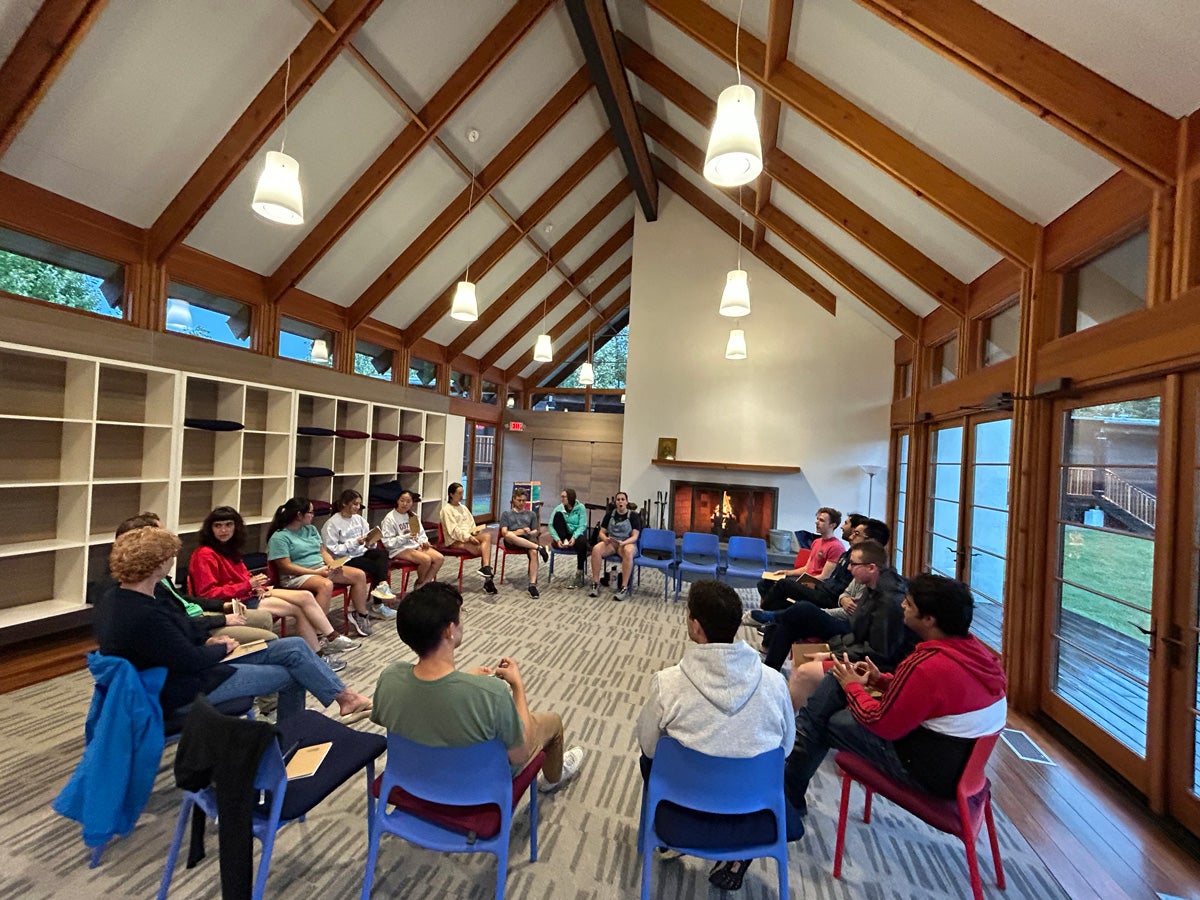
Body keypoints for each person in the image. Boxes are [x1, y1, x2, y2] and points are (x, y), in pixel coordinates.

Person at [783, 574, 1007, 819]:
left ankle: (788, 796)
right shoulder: (979, 656)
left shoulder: (928, 664)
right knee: (832, 689)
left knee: (823, 718)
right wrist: (880, 680)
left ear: (929, 619)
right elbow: (934, 698)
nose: (902, 605)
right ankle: (789, 793)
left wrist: (852, 687)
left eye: (909, 604)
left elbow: (881, 723)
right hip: (959, 766)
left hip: (923, 770)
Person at [94, 526, 372, 722]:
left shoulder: (126, 596)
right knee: (294, 674)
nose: (171, 562)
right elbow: (188, 660)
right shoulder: (142, 611)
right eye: (168, 557)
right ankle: (292, 737)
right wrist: (220, 646)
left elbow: (181, 630)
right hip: (181, 688)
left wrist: (208, 640)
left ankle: (345, 698)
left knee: (295, 647)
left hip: (188, 668)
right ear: (156, 564)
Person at [635, 580, 799, 891]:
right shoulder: (775, 683)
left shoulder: (667, 684)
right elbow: (786, 747)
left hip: (684, 806)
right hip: (754, 805)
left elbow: (648, 746)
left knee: (649, 759)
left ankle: (669, 835)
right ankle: (738, 852)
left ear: (695, 626)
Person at [371, 582, 584, 793]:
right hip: (474, 790)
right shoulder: (491, 693)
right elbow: (521, 753)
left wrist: (462, 679)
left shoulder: (390, 677)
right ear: (449, 631)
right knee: (553, 722)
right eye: (460, 616)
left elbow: (427, 702)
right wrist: (518, 686)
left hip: (414, 779)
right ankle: (553, 779)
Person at [189, 505, 360, 665]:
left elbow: (243, 576)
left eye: (228, 525)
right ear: (210, 529)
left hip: (249, 594)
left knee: (306, 597)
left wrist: (257, 587)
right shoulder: (204, 555)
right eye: (218, 526)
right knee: (298, 608)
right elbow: (208, 594)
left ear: (236, 527)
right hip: (233, 603)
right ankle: (322, 650)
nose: (224, 530)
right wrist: (248, 585)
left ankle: (328, 641)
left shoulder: (229, 549)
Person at [752, 540, 910, 696]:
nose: (848, 568)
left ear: (871, 568)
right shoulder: (872, 587)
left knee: (802, 609)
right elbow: (857, 628)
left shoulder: (888, 601)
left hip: (870, 661)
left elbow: (875, 651)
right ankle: (768, 675)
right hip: (850, 637)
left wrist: (833, 653)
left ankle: (772, 617)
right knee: (791, 621)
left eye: (853, 564)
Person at [106, 512, 280, 650]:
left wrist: (223, 606)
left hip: (201, 614)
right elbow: (179, 624)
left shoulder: (157, 578)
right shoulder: (143, 587)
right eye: (161, 533)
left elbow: (183, 600)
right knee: (277, 642)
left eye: (229, 525)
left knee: (269, 618)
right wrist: (222, 623)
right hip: (196, 625)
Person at [267, 497, 374, 638]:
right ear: (299, 515)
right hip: (297, 576)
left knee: (359, 575)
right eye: (310, 512)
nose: (313, 515)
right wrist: (315, 572)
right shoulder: (279, 537)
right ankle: (318, 633)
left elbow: (322, 551)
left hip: (319, 568)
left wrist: (331, 564)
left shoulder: (310, 529)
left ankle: (360, 614)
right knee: (326, 585)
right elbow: (286, 566)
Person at [755, 513, 865, 610]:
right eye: (817, 519)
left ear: (832, 525)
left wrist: (805, 584)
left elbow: (825, 577)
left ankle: (765, 613)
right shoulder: (818, 542)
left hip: (822, 590)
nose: (817, 523)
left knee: (783, 585)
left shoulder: (837, 548)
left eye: (821, 520)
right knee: (765, 583)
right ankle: (774, 615)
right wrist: (786, 572)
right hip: (817, 585)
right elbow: (808, 568)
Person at [322, 489, 397, 617]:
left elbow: (367, 538)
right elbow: (332, 550)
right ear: (345, 504)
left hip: (361, 551)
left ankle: (382, 586)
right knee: (375, 567)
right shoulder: (332, 524)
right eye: (355, 504)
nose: (358, 507)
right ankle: (378, 604)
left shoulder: (359, 519)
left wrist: (370, 542)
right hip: (345, 558)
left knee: (382, 554)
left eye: (359, 504)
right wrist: (355, 543)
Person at [440, 482, 497, 595]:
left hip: (468, 535)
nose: (461, 496)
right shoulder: (446, 510)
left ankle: (486, 569)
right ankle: (488, 581)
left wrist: (475, 531)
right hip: (455, 540)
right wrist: (469, 537)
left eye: (462, 493)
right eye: (459, 493)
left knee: (486, 537)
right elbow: (454, 531)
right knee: (485, 549)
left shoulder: (463, 508)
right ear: (451, 494)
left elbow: (471, 524)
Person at [380, 489, 444, 588]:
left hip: (414, 545)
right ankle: (420, 583)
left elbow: (420, 534)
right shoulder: (390, 518)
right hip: (399, 549)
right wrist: (406, 537)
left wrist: (424, 542)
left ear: (412, 503)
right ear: (397, 501)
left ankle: (424, 583)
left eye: (408, 501)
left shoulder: (412, 516)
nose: (405, 504)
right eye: (402, 500)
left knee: (439, 558)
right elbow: (388, 542)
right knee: (426, 560)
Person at [588, 492, 641, 601]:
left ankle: (624, 587)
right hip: (612, 543)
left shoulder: (633, 516)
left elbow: (635, 536)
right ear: (615, 502)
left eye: (622, 499)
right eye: (618, 500)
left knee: (628, 552)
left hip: (627, 543)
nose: (620, 501)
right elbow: (601, 532)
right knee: (596, 549)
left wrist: (624, 542)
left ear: (626, 502)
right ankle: (595, 583)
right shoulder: (609, 515)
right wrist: (605, 539)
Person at [498, 488, 548, 598]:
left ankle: (532, 585)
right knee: (510, 535)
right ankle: (539, 547)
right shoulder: (506, 514)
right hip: (512, 541)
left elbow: (536, 532)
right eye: (519, 500)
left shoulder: (531, 514)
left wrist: (530, 532)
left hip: (527, 540)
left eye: (524, 501)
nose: (522, 503)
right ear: (514, 500)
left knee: (533, 552)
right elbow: (504, 532)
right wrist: (517, 532)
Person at [550, 488, 589, 588]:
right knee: (558, 516)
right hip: (563, 534)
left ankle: (579, 572)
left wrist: (575, 537)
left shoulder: (581, 508)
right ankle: (564, 540)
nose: (562, 499)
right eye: (561, 496)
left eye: (564, 497)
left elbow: (582, 525)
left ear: (570, 498)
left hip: (575, 534)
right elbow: (550, 525)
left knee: (582, 542)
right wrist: (557, 539)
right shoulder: (559, 508)